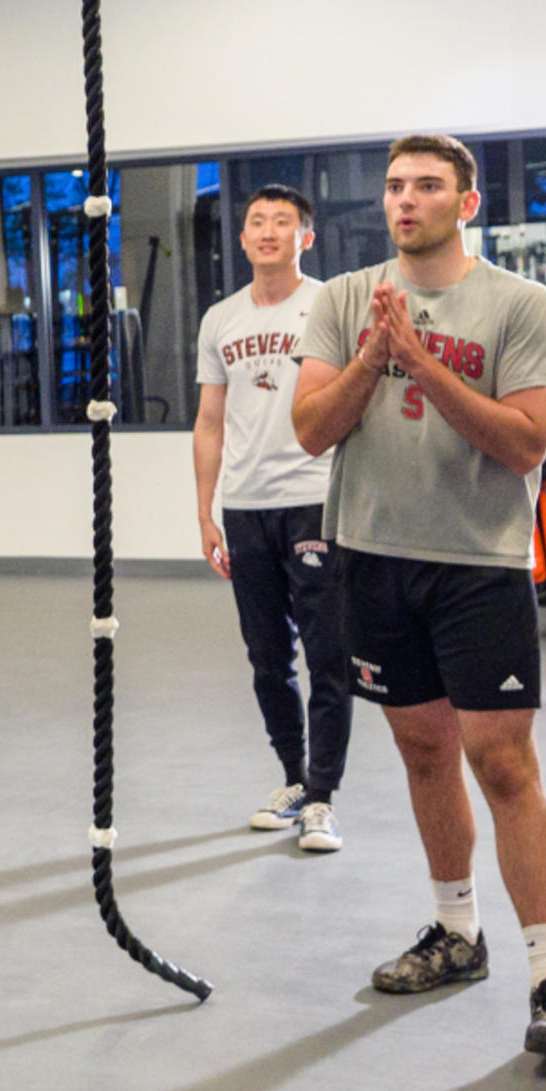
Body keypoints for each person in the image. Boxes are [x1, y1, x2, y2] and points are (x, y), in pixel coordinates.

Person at [293, 134, 546, 1063]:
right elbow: (311, 429)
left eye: (427, 185)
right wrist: (375, 357)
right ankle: (456, 933)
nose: (405, 200)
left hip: (479, 564)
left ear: (465, 202)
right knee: (424, 751)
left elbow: (526, 445)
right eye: (393, 186)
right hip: (372, 557)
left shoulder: (519, 304)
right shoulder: (346, 300)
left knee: (502, 763)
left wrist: (424, 366)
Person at [193, 184, 348, 851]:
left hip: (315, 497)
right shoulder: (219, 319)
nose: (266, 231)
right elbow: (208, 422)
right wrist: (206, 512)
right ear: (242, 237)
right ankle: (293, 776)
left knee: (326, 654)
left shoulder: (328, 306)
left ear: (303, 238)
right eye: (256, 222)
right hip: (246, 505)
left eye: (282, 223)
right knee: (266, 659)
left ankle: (322, 797)